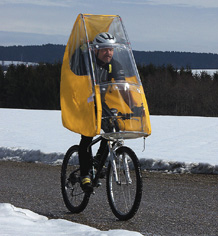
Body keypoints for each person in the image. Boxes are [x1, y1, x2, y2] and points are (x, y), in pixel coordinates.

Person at [78, 32, 137, 193]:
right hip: (83, 102)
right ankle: (84, 175)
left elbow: (122, 87)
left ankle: (98, 162)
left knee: (113, 128)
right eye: (104, 49)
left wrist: (133, 106)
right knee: (88, 135)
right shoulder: (86, 63)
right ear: (96, 50)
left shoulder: (114, 65)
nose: (109, 53)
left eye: (111, 49)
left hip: (99, 102)